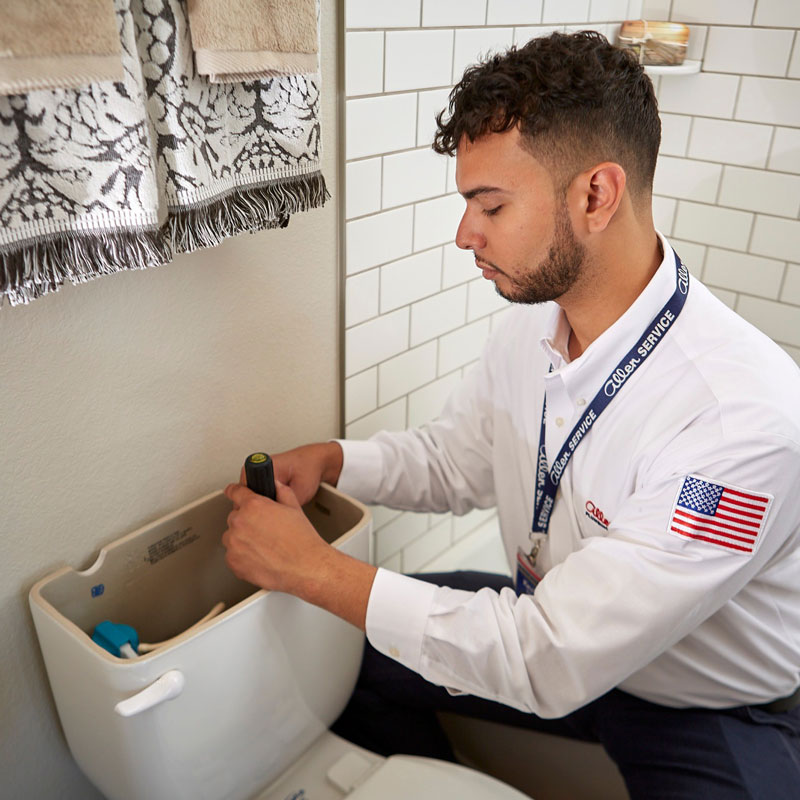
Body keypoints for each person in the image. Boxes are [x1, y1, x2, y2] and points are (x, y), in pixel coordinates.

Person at [222, 31, 800, 799]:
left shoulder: (741, 419)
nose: (466, 234)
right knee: (341, 655)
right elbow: (456, 459)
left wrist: (312, 567)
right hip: (549, 622)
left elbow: (549, 656)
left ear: (597, 195)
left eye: (490, 205)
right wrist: (336, 461)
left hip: (707, 706)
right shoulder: (535, 321)